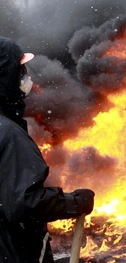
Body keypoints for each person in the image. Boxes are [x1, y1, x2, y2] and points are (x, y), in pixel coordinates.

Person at [0, 36, 95, 263]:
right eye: (20, 70)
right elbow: (24, 202)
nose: (26, 78)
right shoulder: (8, 134)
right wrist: (73, 202)